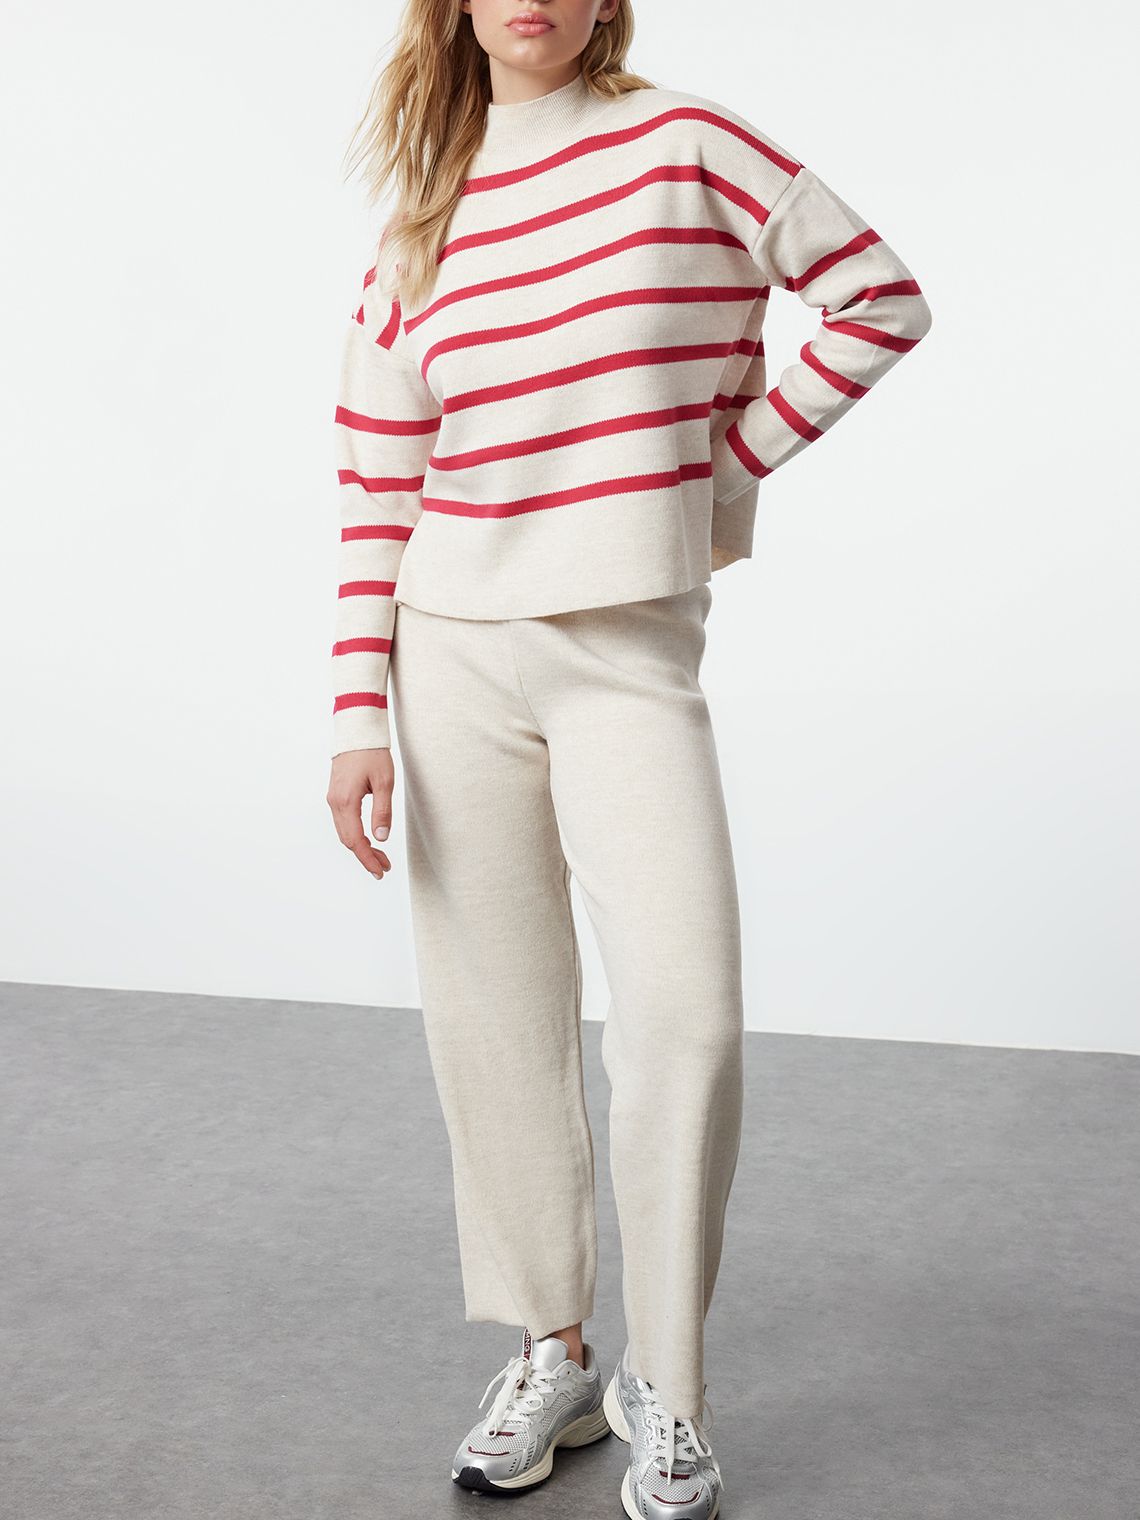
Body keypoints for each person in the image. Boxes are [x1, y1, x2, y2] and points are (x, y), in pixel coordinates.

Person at [324, 2, 932, 1514]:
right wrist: (354, 714)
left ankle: (668, 1378)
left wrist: (715, 470)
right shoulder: (429, 211)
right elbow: (377, 478)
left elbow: (879, 297)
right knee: (495, 1019)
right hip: (446, 649)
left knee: (686, 1016)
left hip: (625, 650)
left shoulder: (685, 145)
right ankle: (553, 1352)